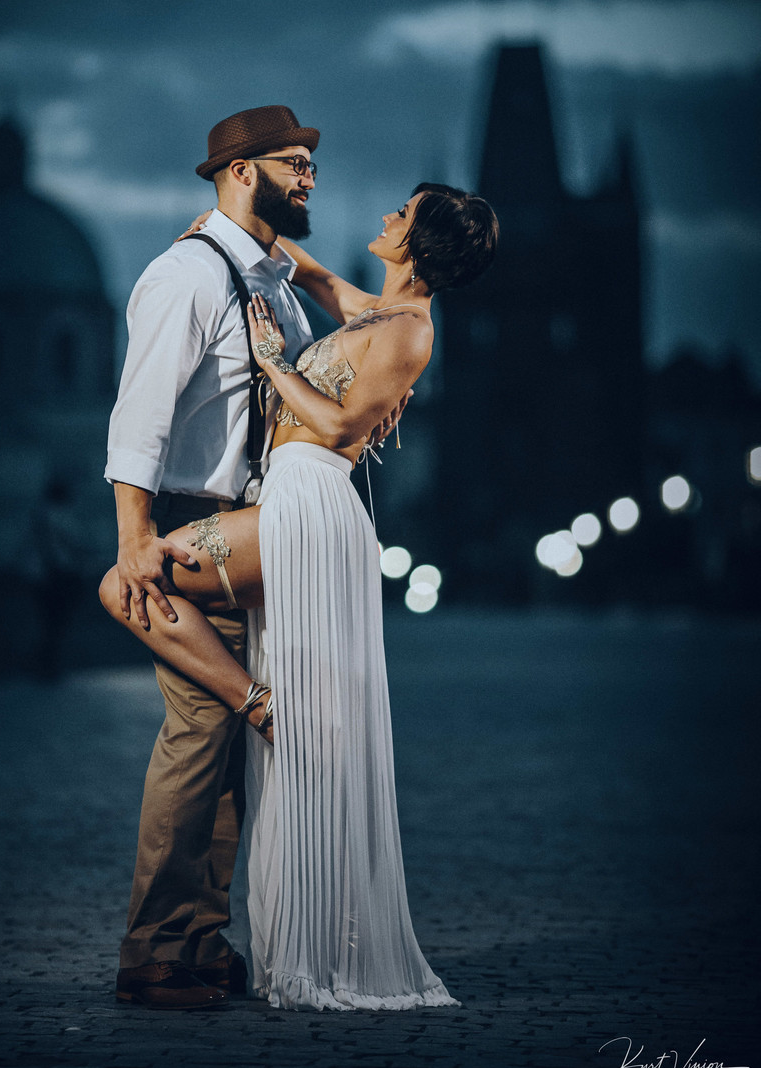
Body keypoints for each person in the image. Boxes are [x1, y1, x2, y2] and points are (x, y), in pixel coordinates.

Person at [101, 179, 499, 1010]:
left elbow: (340, 428)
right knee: (153, 620)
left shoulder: (412, 329)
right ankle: (253, 710)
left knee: (124, 581)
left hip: (308, 500)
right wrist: (226, 236)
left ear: (419, 243)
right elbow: (313, 278)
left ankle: (259, 702)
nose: (387, 217)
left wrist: (273, 362)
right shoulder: (377, 312)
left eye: (404, 214)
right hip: (287, 498)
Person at [105, 105, 322, 1010]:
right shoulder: (187, 275)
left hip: (253, 538)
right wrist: (135, 547)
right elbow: (139, 422)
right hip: (192, 530)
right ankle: (154, 945)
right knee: (199, 729)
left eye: (311, 162)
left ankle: (197, 936)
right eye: (292, 162)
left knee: (230, 744)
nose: (309, 175)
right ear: (240, 171)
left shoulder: (269, 281)